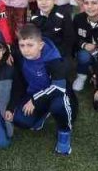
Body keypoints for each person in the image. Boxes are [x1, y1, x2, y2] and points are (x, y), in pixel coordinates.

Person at [8, 24, 74, 155]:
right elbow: (18, 82)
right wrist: (6, 54)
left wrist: (34, 100)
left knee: (58, 105)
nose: (25, 50)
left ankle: (64, 133)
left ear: (41, 45)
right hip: (34, 93)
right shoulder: (20, 55)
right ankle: (42, 114)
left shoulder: (54, 60)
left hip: (57, 95)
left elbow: (58, 88)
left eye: (30, 45)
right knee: (20, 120)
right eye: (22, 45)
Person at [28, 0, 74, 69]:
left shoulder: (63, 14)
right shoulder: (34, 17)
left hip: (60, 51)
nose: (44, 2)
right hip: (42, 51)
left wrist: (58, 54)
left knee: (64, 66)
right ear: (36, 1)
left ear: (55, 0)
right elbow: (33, 38)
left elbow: (69, 38)